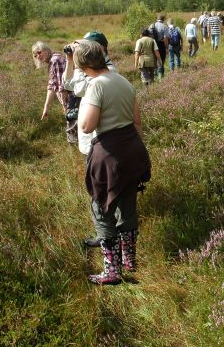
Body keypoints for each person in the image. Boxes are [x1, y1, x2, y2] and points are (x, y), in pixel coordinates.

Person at [76, 40, 151, 285]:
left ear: (83, 63)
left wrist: (81, 112)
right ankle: (129, 260)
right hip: (133, 150)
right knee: (127, 207)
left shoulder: (96, 85)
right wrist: (133, 150)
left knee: (101, 210)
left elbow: (87, 125)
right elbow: (137, 122)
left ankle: (112, 272)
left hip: (108, 154)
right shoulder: (125, 82)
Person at [62, 31, 120, 249]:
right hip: (91, 142)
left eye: (87, 48)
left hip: (102, 141)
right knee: (98, 188)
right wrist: (71, 59)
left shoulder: (109, 70)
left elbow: (79, 87)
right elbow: (68, 83)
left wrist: (78, 64)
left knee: (104, 189)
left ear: (100, 49)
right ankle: (106, 231)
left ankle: (109, 235)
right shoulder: (91, 70)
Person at [31, 41, 78, 144]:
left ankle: (77, 154)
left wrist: (65, 105)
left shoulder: (55, 59)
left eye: (39, 52)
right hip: (70, 100)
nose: (38, 56)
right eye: (35, 55)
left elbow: (63, 86)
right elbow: (52, 85)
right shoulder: (53, 61)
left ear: (46, 49)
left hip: (72, 99)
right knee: (74, 128)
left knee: (73, 132)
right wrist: (46, 107)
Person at [149, 14, 169, 78]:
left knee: (154, 59)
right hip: (161, 45)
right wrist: (166, 47)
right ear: (163, 19)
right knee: (161, 60)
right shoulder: (165, 26)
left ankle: (154, 75)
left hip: (153, 44)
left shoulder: (152, 25)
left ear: (157, 19)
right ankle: (160, 76)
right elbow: (165, 38)